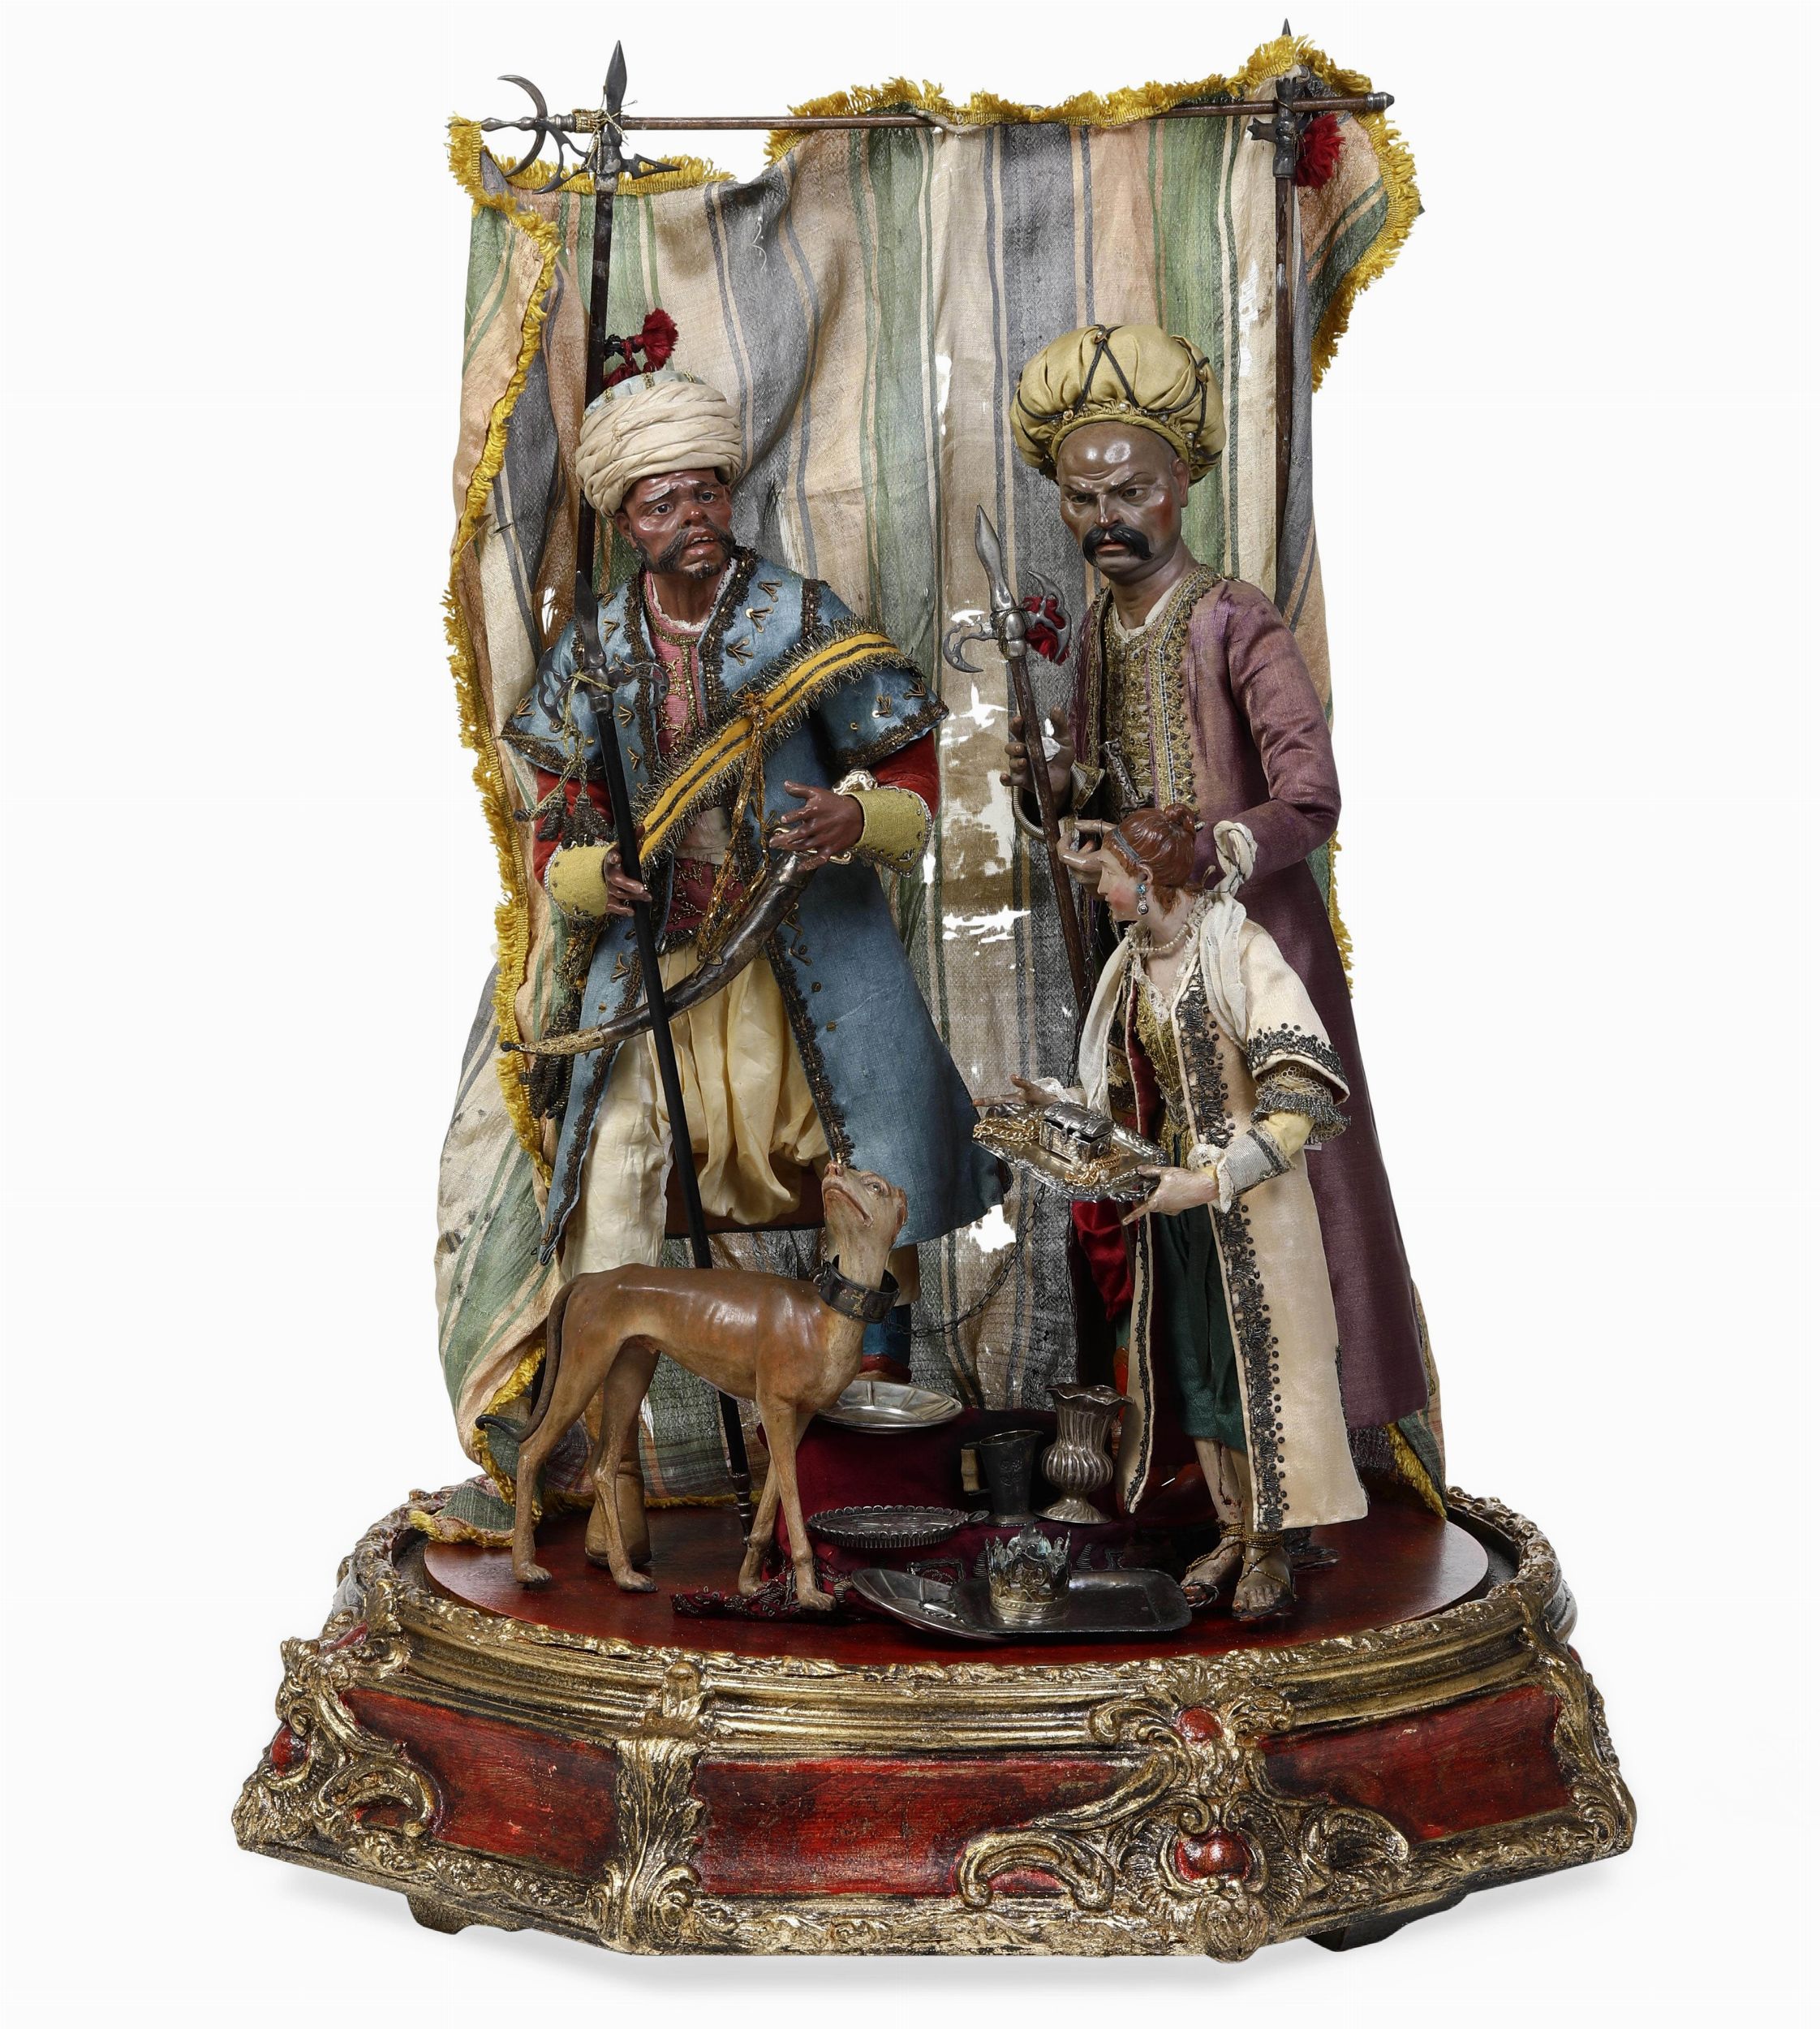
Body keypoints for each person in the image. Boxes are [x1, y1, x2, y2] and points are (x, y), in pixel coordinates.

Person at [502, 335, 1001, 1557]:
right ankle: (611, 1478)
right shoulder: (596, 649)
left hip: (805, 955)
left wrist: (857, 818)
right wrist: (590, 876)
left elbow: (912, 767)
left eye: (706, 492)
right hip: (655, 974)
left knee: (870, 1175)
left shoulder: (799, 617)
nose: (692, 518)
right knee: (613, 1169)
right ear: (624, 520)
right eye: (662, 502)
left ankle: (863, 1448)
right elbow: (554, 816)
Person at [1002, 322, 1428, 1445]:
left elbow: (1309, 799)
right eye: (1081, 499)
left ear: (1180, 483)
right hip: (1147, 971)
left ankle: (1315, 1449)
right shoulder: (1097, 630)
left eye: (1130, 491)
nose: (1105, 518)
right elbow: (1102, 796)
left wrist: (1202, 852)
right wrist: (1056, 791)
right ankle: (1197, 1451)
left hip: (1254, 959)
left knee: (1279, 1185)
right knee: (1164, 1194)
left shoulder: (1236, 618)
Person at [1021, 804, 1366, 1619]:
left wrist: (1210, 1182)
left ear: (1148, 881)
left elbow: (1299, 1096)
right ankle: (1230, 1527)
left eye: (1109, 877)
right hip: (1169, 1200)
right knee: (1195, 1365)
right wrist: (1060, 1108)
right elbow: (1119, 1090)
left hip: (1253, 1204)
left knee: (1259, 1371)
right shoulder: (1132, 965)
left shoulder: (1239, 949)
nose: (1099, 891)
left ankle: (1271, 1544)